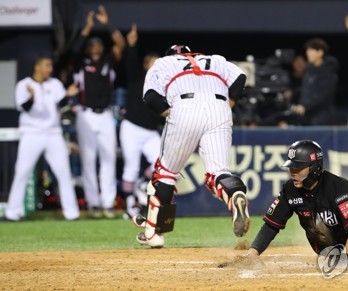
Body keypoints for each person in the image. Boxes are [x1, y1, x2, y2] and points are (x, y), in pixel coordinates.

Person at [132, 45, 250, 248]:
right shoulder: (215, 59)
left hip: (184, 105)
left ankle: (154, 233)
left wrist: (173, 115)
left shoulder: (163, 62)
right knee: (218, 172)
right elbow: (241, 77)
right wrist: (227, 103)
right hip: (219, 108)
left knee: (166, 172)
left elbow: (150, 97)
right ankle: (235, 195)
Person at [5, 56, 80, 221]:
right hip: (31, 133)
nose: (50, 69)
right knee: (22, 171)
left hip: (53, 133)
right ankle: (12, 213)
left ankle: (72, 213)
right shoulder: (24, 84)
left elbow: (61, 103)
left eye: (51, 66)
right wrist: (32, 97)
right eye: (47, 65)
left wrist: (68, 95)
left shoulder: (54, 84)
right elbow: (24, 107)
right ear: (37, 67)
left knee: (64, 173)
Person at [70, 6, 126, 218]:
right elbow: (73, 49)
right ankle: (93, 204)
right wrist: (87, 28)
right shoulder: (80, 63)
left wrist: (108, 24)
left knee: (109, 157)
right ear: (87, 49)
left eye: (98, 45)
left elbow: (120, 44)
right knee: (88, 159)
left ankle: (108, 203)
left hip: (105, 115)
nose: (95, 47)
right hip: (85, 115)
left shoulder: (107, 62)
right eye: (91, 45)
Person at [119, 24, 163, 218]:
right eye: (154, 63)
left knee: (162, 164)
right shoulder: (138, 77)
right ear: (146, 65)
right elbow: (129, 62)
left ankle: (142, 184)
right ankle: (129, 206)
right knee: (131, 167)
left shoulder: (164, 85)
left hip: (150, 131)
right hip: (131, 127)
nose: (157, 67)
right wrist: (131, 45)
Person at [291, 38, 338, 126]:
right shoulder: (309, 69)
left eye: (311, 50)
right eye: (307, 50)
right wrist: (293, 93)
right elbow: (307, 90)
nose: (307, 53)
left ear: (320, 52)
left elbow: (323, 94)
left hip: (321, 117)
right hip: (306, 116)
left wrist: (305, 106)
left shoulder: (328, 72)